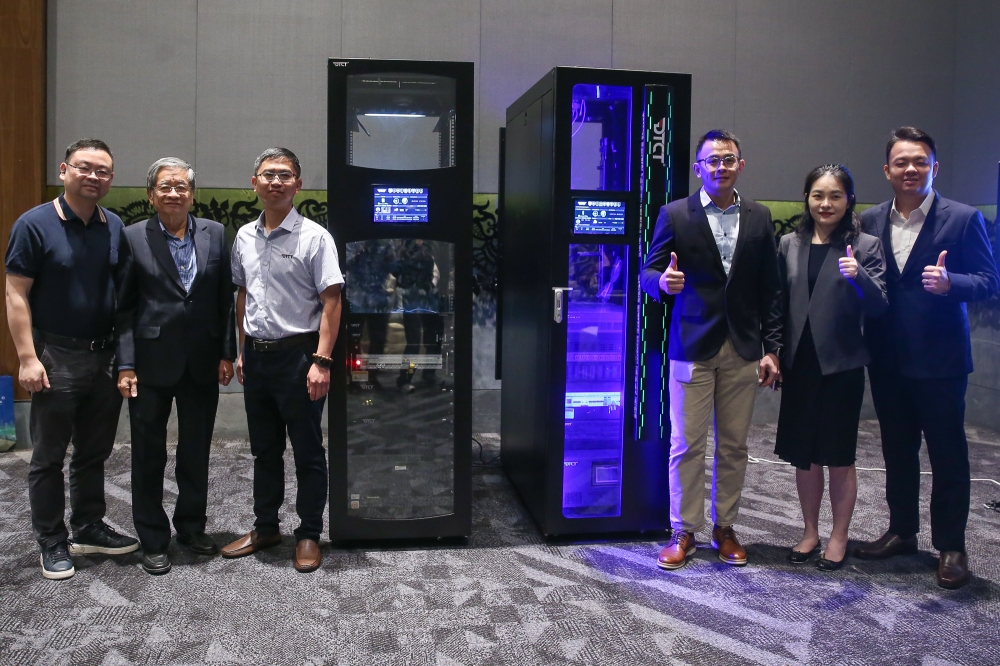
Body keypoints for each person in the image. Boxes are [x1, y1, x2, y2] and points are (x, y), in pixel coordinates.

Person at [855, 127, 998, 589]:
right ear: (887, 170)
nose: (911, 169)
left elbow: (988, 280)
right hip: (887, 357)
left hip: (941, 360)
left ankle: (952, 546)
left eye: (920, 161)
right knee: (897, 450)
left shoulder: (963, 218)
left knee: (947, 453)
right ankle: (902, 532)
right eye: (901, 162)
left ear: (934, 166)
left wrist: (950, 282)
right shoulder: (871, 219)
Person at [640, 129, 782, 570]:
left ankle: (725, 528)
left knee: (735, 445)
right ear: (699, 168)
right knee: (686, 444)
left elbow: (771, 291)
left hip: (743, 347)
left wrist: (772, 348)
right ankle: (683, 530)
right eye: (712, 161)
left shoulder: (760, 218)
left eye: (728, 159)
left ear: (741, 164)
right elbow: (648, 271)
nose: (720, 166)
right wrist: (662, 283)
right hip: (691, 346)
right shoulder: (675, 214)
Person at [4, 138, 138, 579]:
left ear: (110, 179)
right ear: (64, 170)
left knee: (94, 452)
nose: (93, 177)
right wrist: (27, 357)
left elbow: (122, 302)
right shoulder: (35, 224)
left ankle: (88, 527)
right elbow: (15, 293)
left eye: (102, 171)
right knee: (48, 456)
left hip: (103, 357)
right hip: (55, 355)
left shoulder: (114, 225)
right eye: (85, 168)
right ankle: (52, 541)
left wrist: (124, 360)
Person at [221, 148, 343, 573]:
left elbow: (332, 301)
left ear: (297, 185)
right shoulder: (243, 237)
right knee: (264, 451)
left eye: (285, 175)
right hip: (257, 357)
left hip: (300, 358)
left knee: (308, 451)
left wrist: (322, 361)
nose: (275, 182)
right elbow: (242, 295)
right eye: (268, 175)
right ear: (254, 182)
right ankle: (266, 526)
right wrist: (239, 351)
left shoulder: (314, 237)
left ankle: (308, 532)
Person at [115, 157, 237, 575]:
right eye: (165, 186)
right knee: (149, 453)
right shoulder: (131, 237)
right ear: (151, 195)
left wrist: (226, 352)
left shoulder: (216, 233)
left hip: (202, 361)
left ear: (192, 193)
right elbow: (124, 308)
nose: (174, 193)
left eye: (181, 186)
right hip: (149, 364)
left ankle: (190, 526)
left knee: (195, 451)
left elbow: (224, 301)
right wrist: (125, 363)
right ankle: (153, 538)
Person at [774, 165, 887, 571]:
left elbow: (880, 305)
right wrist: (774, 351)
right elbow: (778, 302)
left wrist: (860, 279)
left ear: (849, 200)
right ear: (807, 198)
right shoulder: (790, 242)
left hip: (841, 364)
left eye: (835, 196)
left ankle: (839, 536)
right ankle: (809, 531)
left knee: (838, 455)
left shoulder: (866, 245)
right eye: (818, 195)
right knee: (805, 455)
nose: (826, 203)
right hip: (798, 364)